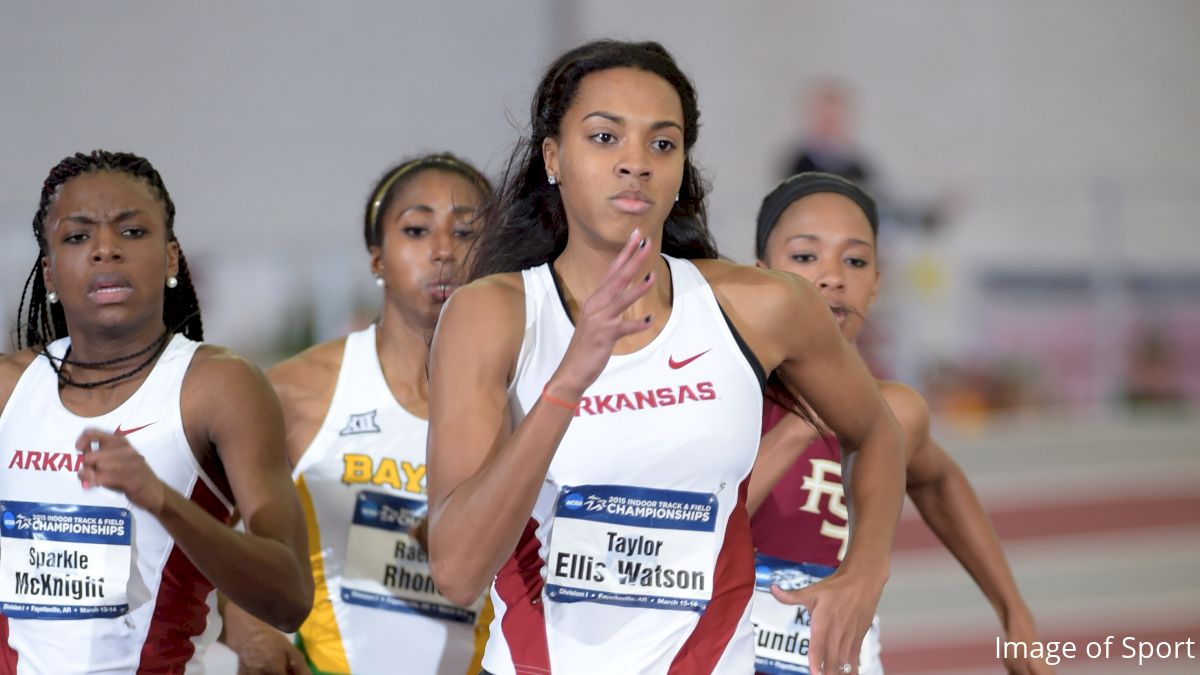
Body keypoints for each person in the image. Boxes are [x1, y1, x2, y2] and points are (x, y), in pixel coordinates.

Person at [425, 40, 906, 675]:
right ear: (553, 157)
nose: (635, 164)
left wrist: (865, 570)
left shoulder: (759, 307)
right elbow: (457, 574)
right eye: (604, 138)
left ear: (681, 168)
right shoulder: (493, 315)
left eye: (661, 144)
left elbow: (876, 432)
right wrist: (569, 379)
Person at [0, 150, 312, 674]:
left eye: (132, 232)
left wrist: (161, 500)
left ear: (171, 259)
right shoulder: (10, 388)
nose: (105, 251)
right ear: (49, 273)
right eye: (78, 237)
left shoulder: (217, 386)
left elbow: (290, 597)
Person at [747, 172, 1052, 675]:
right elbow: (703, 527)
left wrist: (1014, 612)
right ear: (761, 276)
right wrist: (803, 424)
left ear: (876, 283)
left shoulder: (894, 413)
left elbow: (938, 480)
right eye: (805, 256)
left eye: (856, 260)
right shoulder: (728, 394)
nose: (832, 276)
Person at [221, 154, 494, 675]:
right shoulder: (294, 393)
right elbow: (211, 540)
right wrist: (248, 626)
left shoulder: (527, 400)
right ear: (376, 259)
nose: (442, 251)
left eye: (466, 233)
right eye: (416, 230)